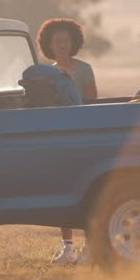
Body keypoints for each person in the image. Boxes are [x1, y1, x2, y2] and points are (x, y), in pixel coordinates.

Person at [36, 18, 97, 264]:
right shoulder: (46, 73)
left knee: (87, 192)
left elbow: (92, 102)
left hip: (82, 135)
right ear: (49, 44)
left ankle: (91, 246)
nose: (62, 44)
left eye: (66, 40)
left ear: (74, 42)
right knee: (63, 191)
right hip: (57, 137)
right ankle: (67, 247)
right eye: (57, 40)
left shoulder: (85, 69)